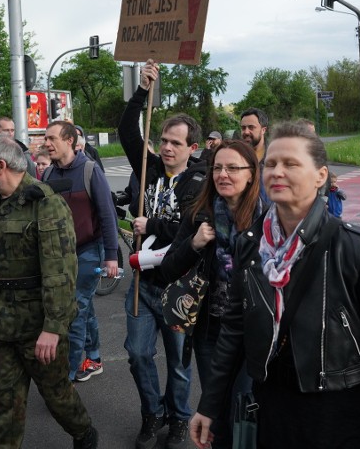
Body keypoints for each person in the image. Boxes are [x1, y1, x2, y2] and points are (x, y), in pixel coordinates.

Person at [190, 121, 360, 449]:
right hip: (273, 410)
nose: (277, 171)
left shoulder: (356, 248)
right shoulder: (249, 245)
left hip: (341, 416)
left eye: (291, 163)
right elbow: (233, 331)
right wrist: (209, 405)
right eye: (270, 163)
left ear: (321, 176)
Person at [0, 134, 98, 449]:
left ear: (1, 166)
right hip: (5, 322)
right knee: (3, 402)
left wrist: (53, 329)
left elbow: (60, 273)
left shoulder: (45, 203)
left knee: (57, 396)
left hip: (39, 325)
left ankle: (84, 434)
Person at [118, 60, 206, 449]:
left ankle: (179, 419)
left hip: (179, 286)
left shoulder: (199, 183)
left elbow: (188, 230)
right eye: (165, 140)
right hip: (142, 282)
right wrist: (142, 90)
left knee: (179, 365)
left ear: (193, 148)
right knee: (137, 355)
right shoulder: (151, 167)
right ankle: (152, 414)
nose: (167, 148)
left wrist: (150, 225)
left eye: (176, 143)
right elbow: (126, 131)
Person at [161, 140, 262, 449]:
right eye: (217, 168)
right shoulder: (199, 215)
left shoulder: (266, 217)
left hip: (252, 330)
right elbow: (167, 269)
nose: (223, 174)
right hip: (210, 329)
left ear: (250, 174)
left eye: (233, 168)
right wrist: (194, 244)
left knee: (242, 404)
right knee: (213, 405)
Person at [42, 120, 118, 382]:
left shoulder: (89, 170)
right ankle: (94, 357)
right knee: (85, 308)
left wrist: (111, 256)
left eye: (52, 138)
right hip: (60, 255)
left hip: (89, 251)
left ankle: (68, 374)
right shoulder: (48, 174)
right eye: (46, 138)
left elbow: (108, 215)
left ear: (70, 141)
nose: (46, 143)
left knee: (74, 309)